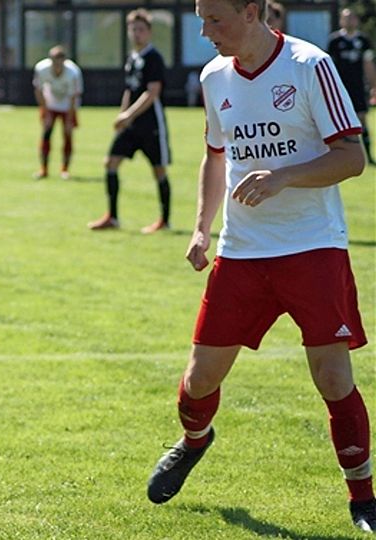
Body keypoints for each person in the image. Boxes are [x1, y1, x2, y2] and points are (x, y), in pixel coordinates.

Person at [147, 0, 373, 533]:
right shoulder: (214, 76)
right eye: (201, 19)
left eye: (215, 20)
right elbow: (215, 154)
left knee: (333, 378)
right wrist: (202, 226)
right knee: (199, 380)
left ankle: (363, 500)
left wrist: (282, 176)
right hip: (242, 251)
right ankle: (194, 441)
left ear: (252, 12)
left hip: (313, 246)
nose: (205, 33)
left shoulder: (309, 65)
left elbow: (352, 157)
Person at [88, 9, 172, 234]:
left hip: (150, 125)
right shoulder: (132, 58)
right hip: (131, 124)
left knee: (159, 171)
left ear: (149, 32)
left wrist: (129, 115)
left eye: (141, 29)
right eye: (133, 29)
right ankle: (112, 217)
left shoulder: (153, 58)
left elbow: (151, 92)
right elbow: (130, 89)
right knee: (111, 163)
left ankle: (165, 220)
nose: (136, 34)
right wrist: (121, 115)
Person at [328, 8, 376, 166]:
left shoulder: (363, 40)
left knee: (362, 119)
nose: (349, 21)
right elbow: (330, 67)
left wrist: (374, 85)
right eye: (346, 18)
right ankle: (340, 156)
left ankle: (368, 156)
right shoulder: (334, 41)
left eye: (352, 18)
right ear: (341, 20)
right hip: (340, 88)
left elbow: (368, 64)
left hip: (358, 87)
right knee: (340, 122)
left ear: (356, 20)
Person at [32, 45, 83, 180]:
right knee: (46, 133)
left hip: (68, 104)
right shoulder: (42, 69)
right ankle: (44, 169)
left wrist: (69, 119)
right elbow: (38, 90)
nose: (57, 66)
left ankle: (65, 169)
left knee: (67, 135)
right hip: (50, 102)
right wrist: (45, 111)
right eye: (54, 61)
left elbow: (74, 96)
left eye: (60, 62)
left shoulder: (73, 73)